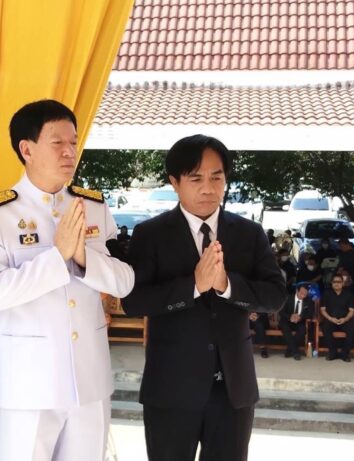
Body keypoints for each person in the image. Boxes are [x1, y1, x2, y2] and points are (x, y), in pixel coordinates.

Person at [0, 100, 135, 461]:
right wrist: (57, 256)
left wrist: (83, 257)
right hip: (30, 384)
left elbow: (124, 282)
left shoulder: (93, 206)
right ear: (26, 150)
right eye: (57, 143)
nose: (69, 152)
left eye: (73, 142)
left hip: (89, 380)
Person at [122, 134, 286, 461]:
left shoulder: (249, 233)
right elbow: (134, 301)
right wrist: (193, 286)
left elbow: (275, 295)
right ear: (174, 182)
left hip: (232, 389)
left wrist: (227, 284)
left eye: (216, 177)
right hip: (171, 387)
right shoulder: (150, 234)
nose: (208, 188)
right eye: (196, 178)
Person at [319, 274, 354, 362]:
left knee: (352, 330)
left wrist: (345, 319)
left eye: (339, 282)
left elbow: (351, 311)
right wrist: (330, 318)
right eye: (334, 282)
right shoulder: (326, 293)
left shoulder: (348, 294)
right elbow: (323, 309)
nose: (336, 284)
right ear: (331, 283)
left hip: (345, 320)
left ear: (343, 283)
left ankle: (345, 354)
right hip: (331, 320)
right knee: (325, 328)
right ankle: (333, 353)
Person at [280, 284, 314, 360]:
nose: (303, 295)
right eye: (302, 293)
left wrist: (300, 317)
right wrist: (290, 317)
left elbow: (310, 314)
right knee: (285, 327)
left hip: (300, 322)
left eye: (305, 294)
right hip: (287, 321)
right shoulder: (288, 298)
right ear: (297, 291)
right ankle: (295, 352)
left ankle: (289, 350)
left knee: (303, 329)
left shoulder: (309, 300)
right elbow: (281, 311)